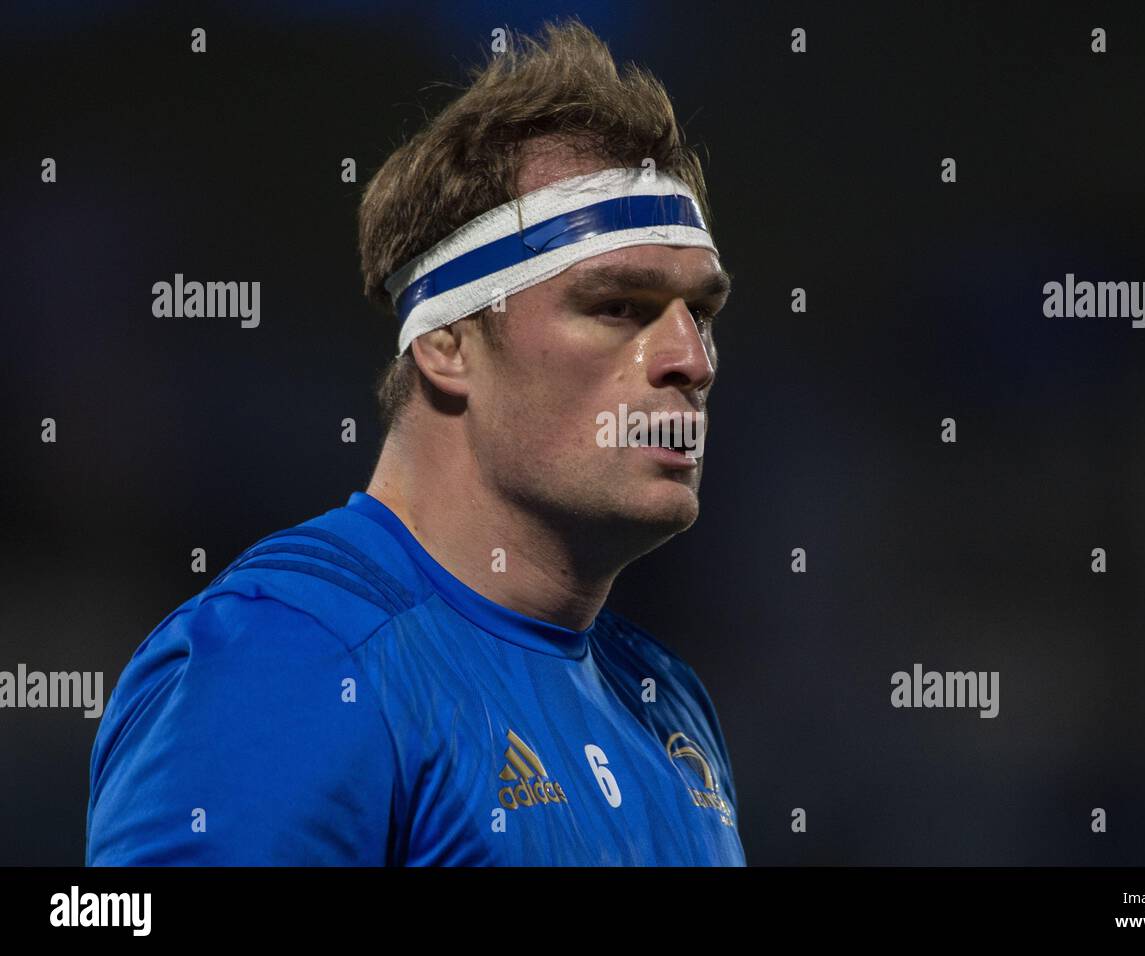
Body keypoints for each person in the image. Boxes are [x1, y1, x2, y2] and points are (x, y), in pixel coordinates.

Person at [86, 17, 742, 866]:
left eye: (704, 315)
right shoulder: (291, 660)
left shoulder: (669, 707)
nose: (690, 360)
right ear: (447, 342)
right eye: (617, 306)